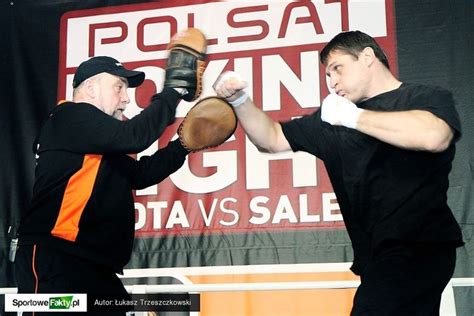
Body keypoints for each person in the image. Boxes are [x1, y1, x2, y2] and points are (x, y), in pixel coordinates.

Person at [214, 30, 464, 315]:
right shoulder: (331, 120)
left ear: (367, 57)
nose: (332, 82)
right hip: (375, 257)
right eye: (327, 75)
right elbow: (270, 138)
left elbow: (434, 136)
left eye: (337, 69)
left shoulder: (423, 97)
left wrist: (353, 118)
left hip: (419, 247)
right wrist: (239, 101)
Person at [15, 28, 206, 315]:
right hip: (56, 261)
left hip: (95, 267)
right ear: (90, 88)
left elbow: (140, 175)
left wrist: (184, 145)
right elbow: (134, 136)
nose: (127, 99)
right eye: (119, 87)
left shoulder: (93, 141)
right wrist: (174, 90)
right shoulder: (69, 116)